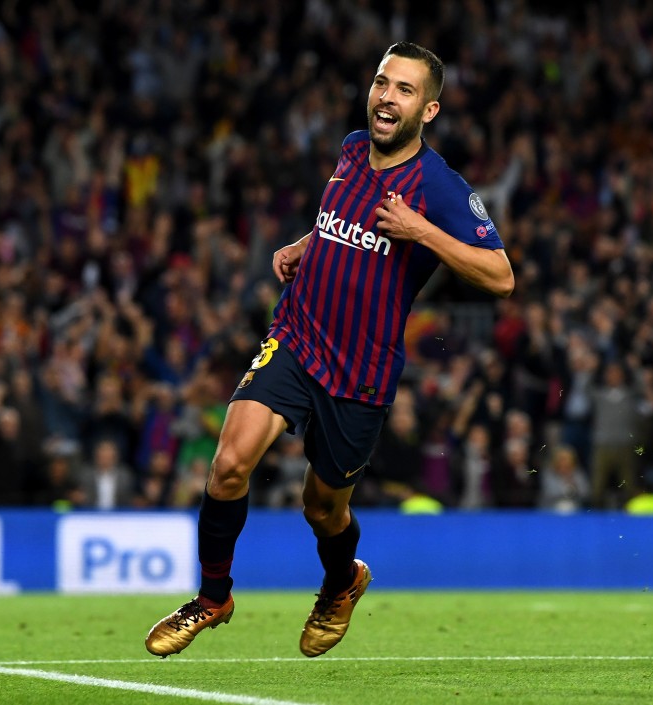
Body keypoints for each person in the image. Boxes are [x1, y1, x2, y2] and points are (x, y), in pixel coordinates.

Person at [145, 41, 514, 658]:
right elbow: (339, 220)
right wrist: (305, 243)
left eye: (404, 90)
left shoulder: (439, 187)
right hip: (296, 337)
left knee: (322, 509)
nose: (386, 97)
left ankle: (342, 580)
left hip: (360, 373)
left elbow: (501, 276)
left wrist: (421, 230)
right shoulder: (351, 148)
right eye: (381, 82)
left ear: (429, 110)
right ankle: (212, 597)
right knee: (229, 463)